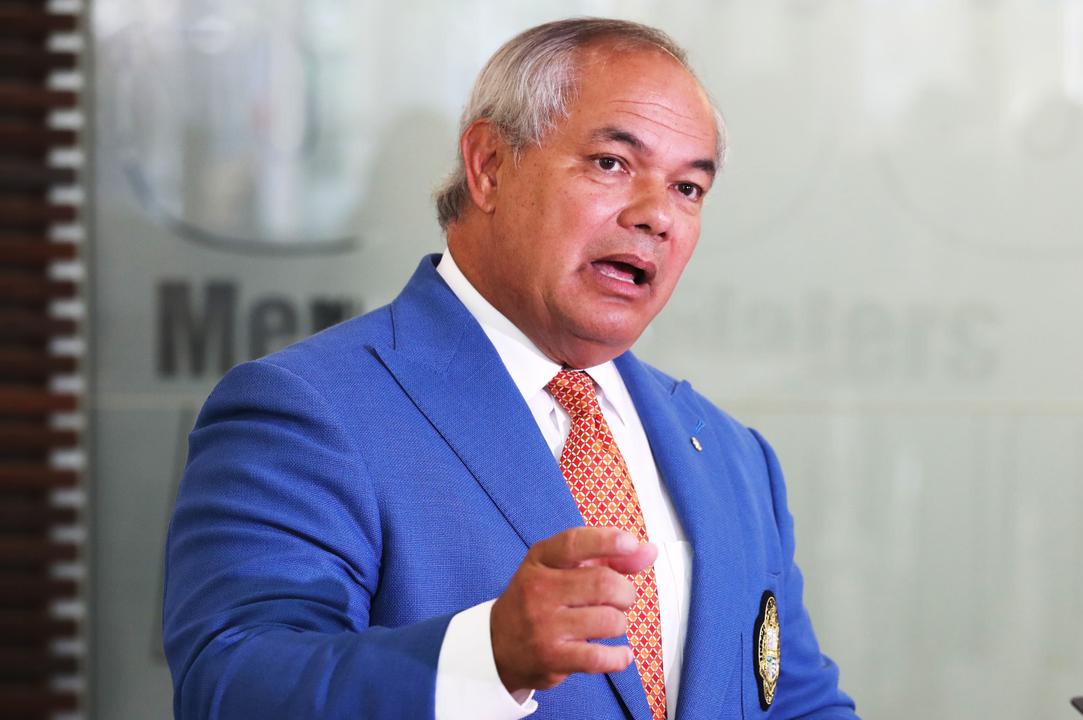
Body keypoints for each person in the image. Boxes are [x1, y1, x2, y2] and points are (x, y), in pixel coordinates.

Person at [163, 17, 858, 720]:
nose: (658, 217)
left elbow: (798, 705)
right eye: (611, 164)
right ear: (489, 165)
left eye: (688, 188)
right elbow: (232, 687)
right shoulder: (307, 409)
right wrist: (487, 657)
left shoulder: (733, 457)